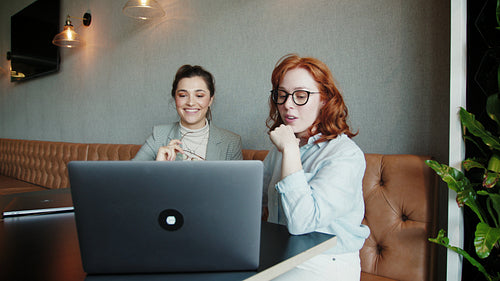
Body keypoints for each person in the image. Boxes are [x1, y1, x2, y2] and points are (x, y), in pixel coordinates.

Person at [262, 54, 370, 280]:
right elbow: (253, 199)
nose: (287, 105)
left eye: (300, 96)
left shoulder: (345, 155)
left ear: (325, 99)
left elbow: (302, 222)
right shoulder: (279, 150)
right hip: (279, 257)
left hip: (327, 261)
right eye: (281, 95)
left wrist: (290, 151)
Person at [133, 65, 242, 161]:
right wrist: (159, 167)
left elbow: (238, 183)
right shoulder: (159, 135)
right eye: (183, 95)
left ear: (210, 100)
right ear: (175, 98)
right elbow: (128, 179)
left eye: (199, 95)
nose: (190, 102)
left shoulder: (231, 142)